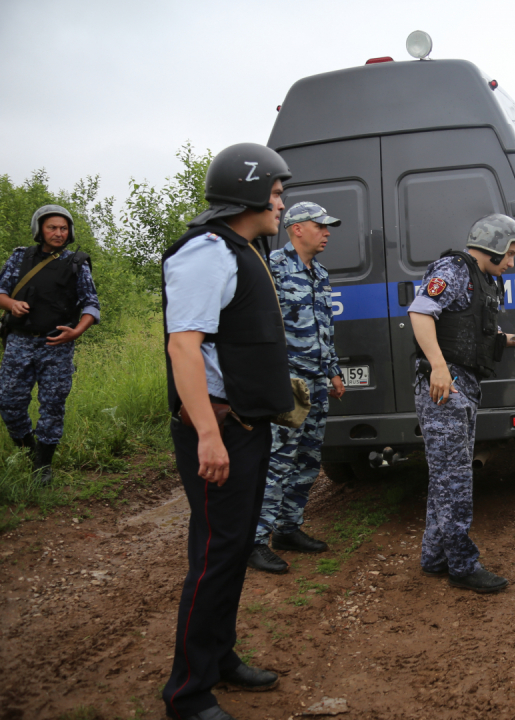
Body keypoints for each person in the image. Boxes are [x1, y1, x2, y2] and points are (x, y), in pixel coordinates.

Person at [161, 143, 295, 720]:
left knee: (233, 547)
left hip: (244, 424)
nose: (283, 202)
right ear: (248, 191)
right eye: (276, 191)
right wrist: (208, 439)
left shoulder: (243, 249)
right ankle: (188, 693)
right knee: (216, 554)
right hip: (218, 429)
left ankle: (218, 658)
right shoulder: (207, 251)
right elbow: (183, 345)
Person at [408, 214, 515, 593]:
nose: (513, 262)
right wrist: (437, 366)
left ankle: (435, 557)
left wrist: (512, 339)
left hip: (463, 384)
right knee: (455, 479)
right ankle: (462, 566)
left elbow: (468, 328)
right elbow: (420, 312)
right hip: (444, 387)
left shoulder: (482, 279)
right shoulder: (453, 270)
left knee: (446, 476)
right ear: (494, 245)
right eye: (511, 253)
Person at [248, 202, 345, 574]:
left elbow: (325, 328)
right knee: (277, 462)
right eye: (321, 225)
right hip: (286, 383)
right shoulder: (270, 269)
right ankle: (256, 539)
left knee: (307, 458)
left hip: (318, 382)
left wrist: (333, 372)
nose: (327, 232)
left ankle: (287, 529)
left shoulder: (319, 273)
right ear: (297, 228)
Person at [0, 204, 99, 485]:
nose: (58, 233)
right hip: (19, 342)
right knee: (9, 402)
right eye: (51, 227)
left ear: (69, 231)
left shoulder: (76, 264)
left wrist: (76, 332)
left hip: (56, 345)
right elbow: (1, 291)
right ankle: (28, 451)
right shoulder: (21, 257)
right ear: (39, 230)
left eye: (63, 228)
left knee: (52, 406)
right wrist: (11, 304)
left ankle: (43, 466)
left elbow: (91, 304)